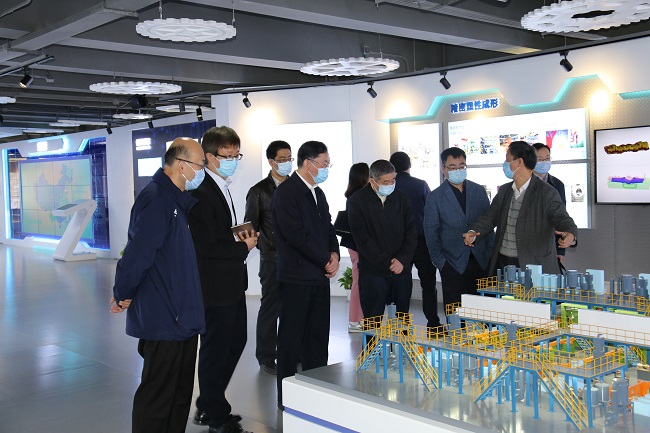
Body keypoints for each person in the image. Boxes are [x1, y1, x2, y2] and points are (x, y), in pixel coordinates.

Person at [110, 137, 206, 433]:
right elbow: (138, 254)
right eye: (200, 165)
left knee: (179, 394)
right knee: (158, 395)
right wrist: (123, 292)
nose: (203, 171)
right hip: (165, 316)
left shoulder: (178, 200)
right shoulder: (157, 199)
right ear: (182, 166)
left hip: (183, 315)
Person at [188, 126, 256, 433]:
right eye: (227, 156)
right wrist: (244, 246)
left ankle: (208, 403)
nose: (232, 161)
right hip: (214, 286)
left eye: (236, 155)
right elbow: (208, 247)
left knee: (236, 341)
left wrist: (240, 237)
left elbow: (220, 234)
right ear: (209, 157)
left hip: (230, 281)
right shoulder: (201, 193)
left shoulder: (221, 187)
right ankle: (216, 416)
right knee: (216, 349)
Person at [271, 140, 340, 409]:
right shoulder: (287, 193)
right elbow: (295, 236)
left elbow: (328, 227)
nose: (326, 169)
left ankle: (315, 391)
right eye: (323, 164)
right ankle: (287, 398)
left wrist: (334, 254)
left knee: (317, 339)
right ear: (308, 163)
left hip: (319, 277)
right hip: (296, 279)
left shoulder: (317, 192)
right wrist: (324, 259)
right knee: (290, 340)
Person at [462, 141, 578, 275]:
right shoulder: (505, 190)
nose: (505, 164)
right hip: (503, 262)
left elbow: (562, 217)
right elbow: (489, 218)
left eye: (508, 160)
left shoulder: (546, 192)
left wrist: (570, 233)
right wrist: (473, 232)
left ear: (519, 162)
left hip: (533, 264)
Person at [347, 159, 417, 333]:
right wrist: (387, 262)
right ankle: (372, 350)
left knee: (401, 323)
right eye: (386, 182)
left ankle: (401, 348)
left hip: (401, 271)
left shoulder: (401, 197)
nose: (390, 185)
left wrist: (401, 260)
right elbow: (362, 240)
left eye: (393, 180)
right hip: (373, 272)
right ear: (372, 181)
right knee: (373, 323)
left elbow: (411, 232)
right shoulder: (357, 201)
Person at [423, 147, 494, 313]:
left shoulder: (479, 191)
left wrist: (490, 254)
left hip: (481, 260)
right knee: (456, 311)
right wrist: (441, 263)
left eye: (462, 166)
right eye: (453, 167)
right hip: (452, 263)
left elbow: (489, 223)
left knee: (484, 311)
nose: (458, 170)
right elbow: (431, 233)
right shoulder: (435, 197)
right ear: (443, 169)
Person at [244, 140, 293, 375]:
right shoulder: (258, 191)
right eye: (282, 159)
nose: (287, 163)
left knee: (293, 308)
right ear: (271, 162)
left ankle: (292, 352)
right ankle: (266, 356)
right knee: (270, 308)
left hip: (297, 260)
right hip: (272, 259)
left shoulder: (297, 186)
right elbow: (250, 226)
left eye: (289, 159)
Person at [390, 151, 442, 328]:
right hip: (422, 241)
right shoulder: (421, 185)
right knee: (428, 284)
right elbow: (431, 212)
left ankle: (403, 326)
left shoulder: (390, 186)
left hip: (399, 243)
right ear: (409, 165)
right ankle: (433, 323)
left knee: (402, 285)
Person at [338, 163, 369, 332]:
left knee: (359, 280)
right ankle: (355, 320)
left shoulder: (352, 195)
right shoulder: (359, 196)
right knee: (359, 280)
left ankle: (358, 319)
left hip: (354, 244)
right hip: (358, 244)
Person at [532, 142, 568, 265]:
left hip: (550, 244)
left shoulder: (557, 184)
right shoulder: (524, 183)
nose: (544, 162)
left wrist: (560, 250)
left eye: (547, 158)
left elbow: (561, 217)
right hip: (527, 242)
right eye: (540, 159)